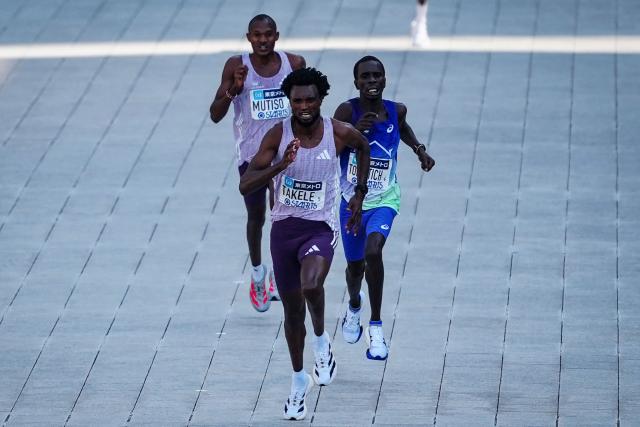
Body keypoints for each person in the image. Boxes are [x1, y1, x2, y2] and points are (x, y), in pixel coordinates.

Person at [240, 67, 370, 420]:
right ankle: (299, 381)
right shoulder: (277, 135)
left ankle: (321, 341)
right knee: (291, 311)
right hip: (283, 231)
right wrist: (281, 164)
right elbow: (246, 184)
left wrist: (358, 193)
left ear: (320, 98)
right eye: (297, 100)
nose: (304, 106)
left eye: (310, 99)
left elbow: (363, 146)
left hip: (319, 229)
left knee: (312, 284)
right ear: (290, 101)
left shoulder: (338, 132)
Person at [334, 56, 435, 361]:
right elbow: (329, 147)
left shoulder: (396, 110)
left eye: (377, 76)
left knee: (373, 251)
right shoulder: (346, 111)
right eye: (365, 77)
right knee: (354, 269)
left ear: (385, 79)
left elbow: (402, 128)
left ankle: (375, 326)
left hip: (385, 199)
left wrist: (419, 150)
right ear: (356, 83)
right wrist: (353, 130)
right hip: (351, 203)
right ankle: (354, 305)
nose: (372, 81)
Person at [209, 14, 306, 312]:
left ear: (276, 35)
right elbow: (215, 114)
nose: (262, 40)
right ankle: (257, 273)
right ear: (248, 37)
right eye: (256, 35)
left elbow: (308, 103)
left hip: (284, 153)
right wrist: (233, 90)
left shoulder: (294, 64)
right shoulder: (236, 66)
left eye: (268, 35)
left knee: (282, 215)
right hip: (252, 156)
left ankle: (279, 272)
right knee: (257, 217)